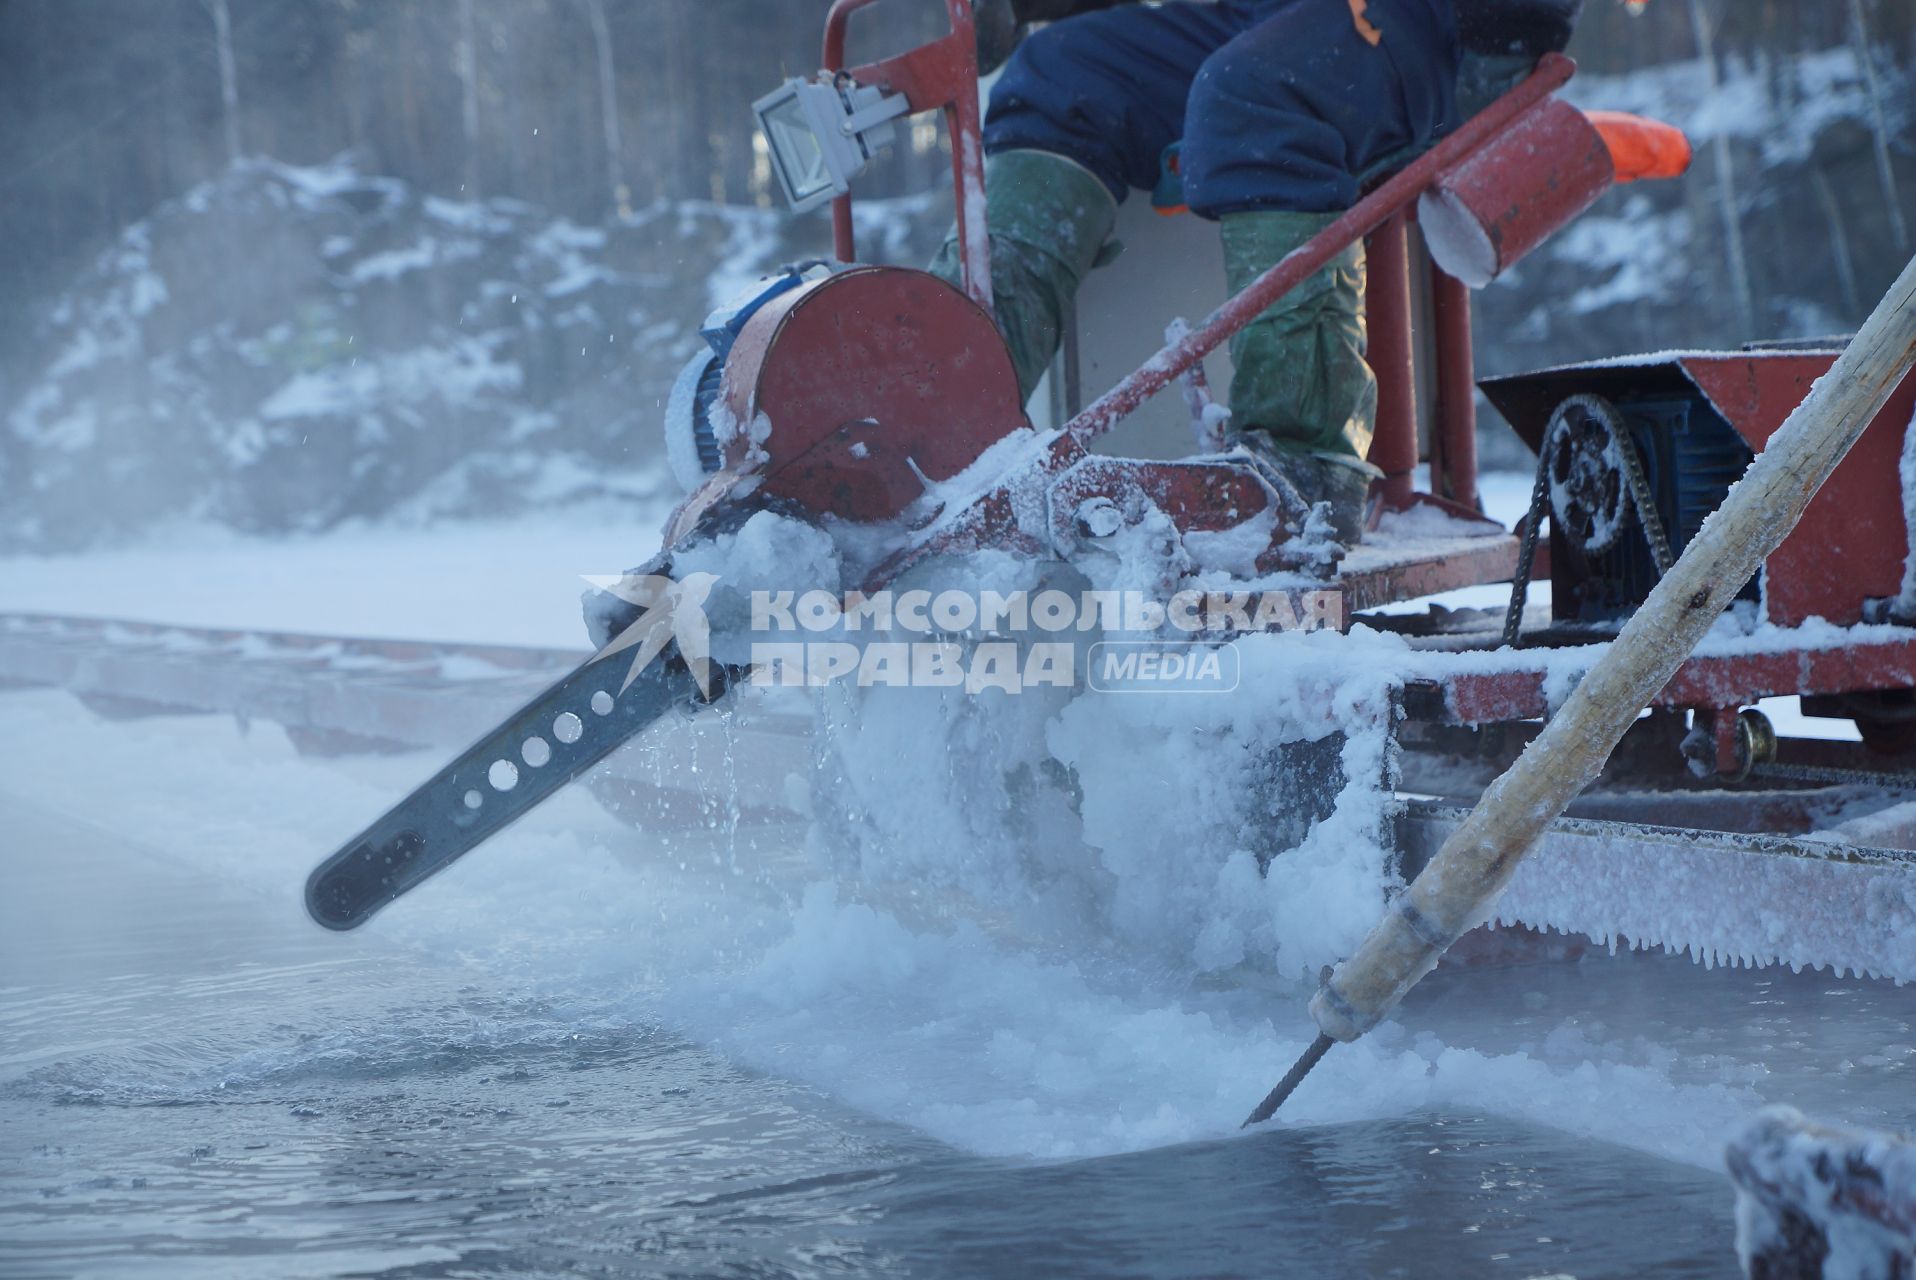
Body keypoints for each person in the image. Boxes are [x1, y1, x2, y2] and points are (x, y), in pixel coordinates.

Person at [942, 0, 1583, 543]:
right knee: (1059, 77)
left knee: (1263, 95)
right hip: (1272, 13)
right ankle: (941, 425)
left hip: (1447, 21)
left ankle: (1300, 469)